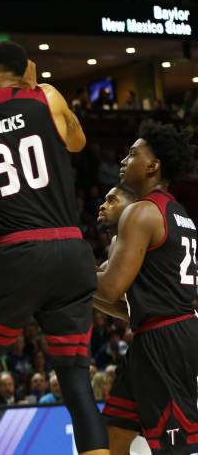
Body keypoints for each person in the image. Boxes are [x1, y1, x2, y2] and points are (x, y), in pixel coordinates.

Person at [0, 41, 108, 455]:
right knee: (75, 379)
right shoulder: (48, 97)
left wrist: (10, 210)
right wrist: (38, 90)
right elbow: (77, 141)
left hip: (18, 252)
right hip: (71, 250)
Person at [95, 121, 198, 453]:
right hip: (155, 332)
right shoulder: (180, 213)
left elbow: (110, 288)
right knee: (113, 437)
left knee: (174, 447)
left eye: (132, 153)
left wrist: (64, 269)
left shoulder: (141, 212)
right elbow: (129, 307)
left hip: (164, 342)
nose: (124, 159)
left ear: (153, 165)